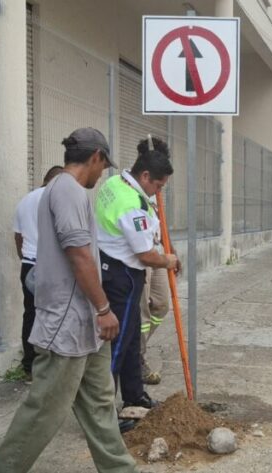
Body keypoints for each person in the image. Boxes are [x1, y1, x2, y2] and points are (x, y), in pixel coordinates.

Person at [0, 128, 136, 473]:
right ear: (96, 156)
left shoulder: (65, 190)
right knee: (45, 409)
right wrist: (103, 308)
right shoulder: (68, 191)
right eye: (103, 166)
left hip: (86, 326)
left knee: (100, 404)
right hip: (68, 322)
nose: (101, 174)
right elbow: (79, 255)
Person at [95, 137, 180, 421]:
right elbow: (145, 255)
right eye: (158, 186)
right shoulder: (132, 203)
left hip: (111, 266)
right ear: (145, 176)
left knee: (130, 339)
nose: (158, 192)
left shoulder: (114, 184)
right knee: (117, 345)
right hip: (123, 276)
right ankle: (102, 412)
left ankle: (134, 397)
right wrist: (168, 260)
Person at [12, 165, 64, 377]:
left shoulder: (24, 201)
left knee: (31, 315)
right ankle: (50, 368)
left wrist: (25, 258)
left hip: (29, 265)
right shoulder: (56, 199)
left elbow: (18, 236)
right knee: (55, 317)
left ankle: (29, 367)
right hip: (51, 266)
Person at [140, 201, 171, 386]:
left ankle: (136, 350)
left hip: (158, 252)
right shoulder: (132, 193)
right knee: (142, 313)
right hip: (143, 255)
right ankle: (138, 359)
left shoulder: (153, 196)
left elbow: (161, 225)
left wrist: (170, 251)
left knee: (161, 304)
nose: (162, 186)